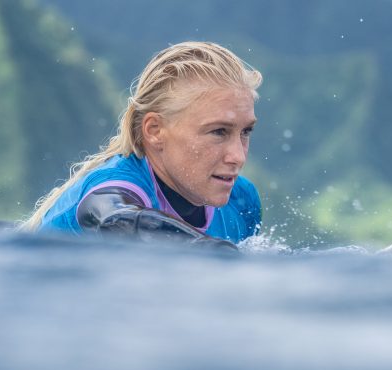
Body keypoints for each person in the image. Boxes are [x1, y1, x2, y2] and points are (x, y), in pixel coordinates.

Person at [20, 41, 263, 250]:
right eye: (218, 131)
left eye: (246, 132)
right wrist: (210, 250)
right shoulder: (117, 185)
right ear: (155, 131)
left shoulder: (242, 200)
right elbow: (111, 218)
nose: (238, 156)